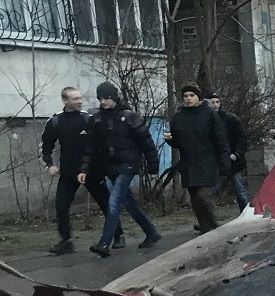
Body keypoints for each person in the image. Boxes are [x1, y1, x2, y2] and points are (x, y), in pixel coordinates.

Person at [78, 81, 161, 258]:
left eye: (106, 97)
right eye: (100, 98)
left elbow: (146, 142)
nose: (103, 101)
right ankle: (151, 232)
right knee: (129, 203)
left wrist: (153, 166)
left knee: (114, 200)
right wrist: (84, 169)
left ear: (114, 97)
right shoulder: (97, 119)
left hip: (128, 164)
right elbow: (89, 148)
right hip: (110, 166)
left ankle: (104, 243)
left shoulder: (129, 116)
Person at [40, 86, 122, 254]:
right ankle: (66, 241)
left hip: (93, 171)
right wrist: (50, 165)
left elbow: (103, 143)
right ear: (65, 101)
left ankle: (118, 235)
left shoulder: (89, 119)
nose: (79, 101)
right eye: (75, 99)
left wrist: (105, 166)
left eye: (80, 98)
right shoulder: (55, 121)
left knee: (106, 203)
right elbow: (45, 146)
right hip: (69, 173)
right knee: (61, 205)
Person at [165, 83, 230, 233]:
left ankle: (214, 228)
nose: (188, 98)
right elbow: (177, 142)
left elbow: (220, 138)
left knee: (203, 196)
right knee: (195, 199)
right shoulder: (178, 117)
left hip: (207, 160)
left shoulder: (208, 114)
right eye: (185, 96)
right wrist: (170, 139)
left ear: (198, 97)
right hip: (188, 162)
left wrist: (224, 159)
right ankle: (206, 228)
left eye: (192, 95)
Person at [205, 89, 250, 211]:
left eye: (217, 102)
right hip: (215, 161)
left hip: (231, 159)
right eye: (212, 102)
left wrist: (237, 153)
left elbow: (241, 137)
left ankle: (247, 214)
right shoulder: (205, 120)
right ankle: (208, 219)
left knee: (239, 189)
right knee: (210, 192)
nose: (215, 105)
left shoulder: (230, 119)